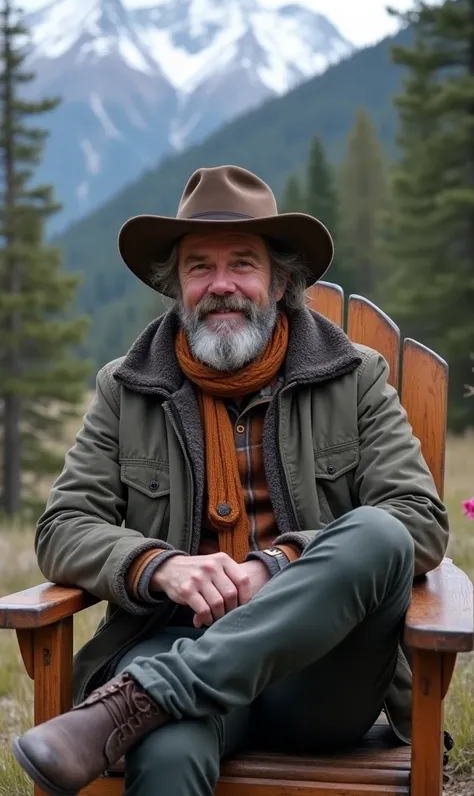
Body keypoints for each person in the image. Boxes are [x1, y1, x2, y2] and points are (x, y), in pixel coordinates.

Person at [12, 165, 449, 796]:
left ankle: (149, 694)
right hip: (171, 633)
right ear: (176, 285)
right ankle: (158, 698)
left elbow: (419, 518)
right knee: (164, 751)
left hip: (321, 672)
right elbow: (62, 528)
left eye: (243, 263)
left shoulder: (354, 376)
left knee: (379, 532)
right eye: (199, 268)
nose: (222, 285)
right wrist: (157, 565)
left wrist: (278, 564)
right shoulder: (126, 388)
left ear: (280, 281)